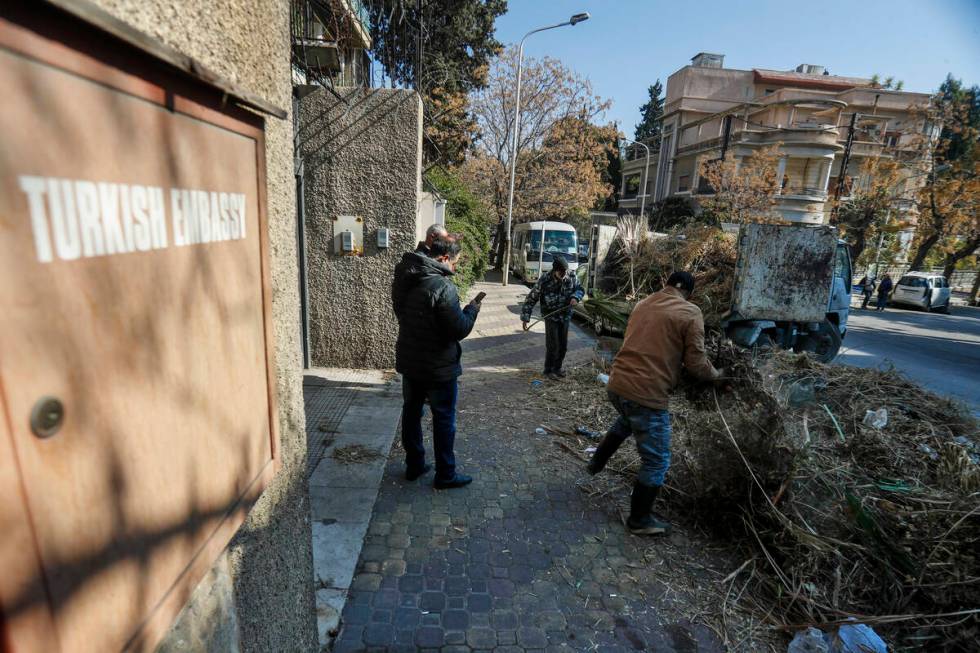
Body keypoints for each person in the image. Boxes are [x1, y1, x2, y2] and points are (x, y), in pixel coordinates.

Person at [586, 271, 723, 536]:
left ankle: (595, 464)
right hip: (646, 393)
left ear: (666, 285)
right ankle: (639, 519)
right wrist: (717, 376)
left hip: (618, 384)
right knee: (658, 460)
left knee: (626, 420)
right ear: (689, 293)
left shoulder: (643, 303)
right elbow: (696, 365)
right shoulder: (690, 312)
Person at [392, 236, 481, 489]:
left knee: (411, 412)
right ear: (443, 259)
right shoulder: (443, 287)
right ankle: (445, 474)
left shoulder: (406, 278)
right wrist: (472, 309)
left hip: (411, 360)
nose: (455, 268)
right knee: (443, 419)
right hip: (438, 367)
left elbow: (402, 314)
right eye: (455, 263)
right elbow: (459, 329)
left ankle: (415, 465)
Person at [520, 255, 584, 380]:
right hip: (551, 316)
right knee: (553, 345)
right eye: (561, 272)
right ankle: (548, 370)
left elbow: (580, 289)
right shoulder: (545, 280)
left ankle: (557, 368)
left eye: (565, 271)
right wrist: (525, 317)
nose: (564, 274)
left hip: (565, 316)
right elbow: (532, 298)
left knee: (563, 346)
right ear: (555, 271)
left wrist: (575, 297)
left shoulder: (571, 277)